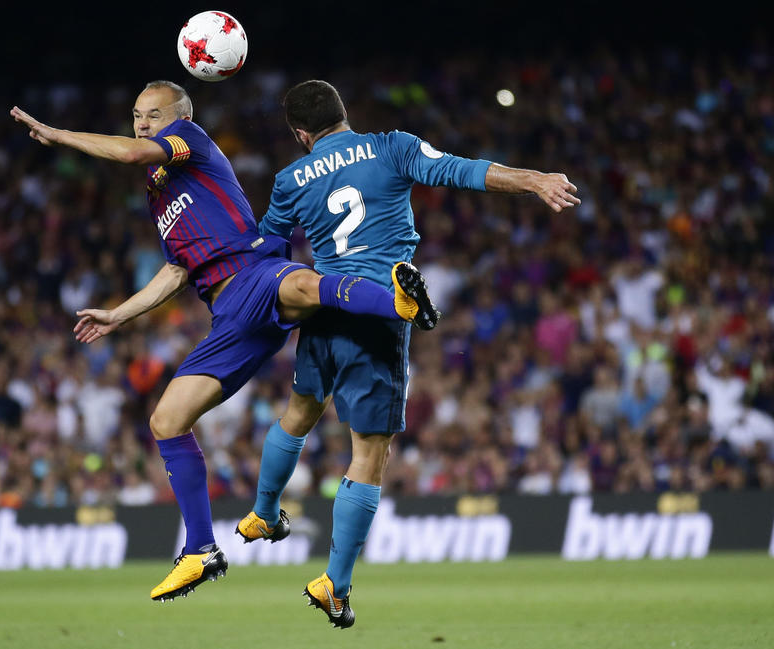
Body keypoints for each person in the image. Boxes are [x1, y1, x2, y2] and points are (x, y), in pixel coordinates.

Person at [10, 80, 436, 602]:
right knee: (166, 420)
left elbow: (131, 152)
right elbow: (177, 269)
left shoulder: (189, 141)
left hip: (253, 272)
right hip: (229, 316)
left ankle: (400, 304)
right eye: (137, 115)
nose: (142, 124)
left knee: (303, 284)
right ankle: (201, 550)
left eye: (153, 115)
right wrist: (120, 314)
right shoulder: (158, 191)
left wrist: (58, 135)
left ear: (180, 117)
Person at [235, 80, 580, 628]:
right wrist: (533, 179)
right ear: (344, 112)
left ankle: (261, 511)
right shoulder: (391, 146)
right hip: (379, 312)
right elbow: (463, 171)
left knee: (299, 412)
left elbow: (266, 251)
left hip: (325, 303)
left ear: (301, 134)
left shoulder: (289, 180)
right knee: (369, 453)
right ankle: (334, 585)